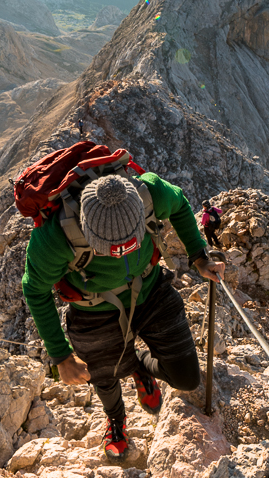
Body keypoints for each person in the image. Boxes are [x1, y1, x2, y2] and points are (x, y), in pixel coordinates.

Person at [21, 172, 225, 459]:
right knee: (103, 375)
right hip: (94, 311)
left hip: (152, 289)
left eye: (129, 243)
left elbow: (179, 203)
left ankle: (137, 365)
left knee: (187, 379)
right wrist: (62, 356)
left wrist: (199, 257)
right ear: (86, 231)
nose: (119, 254)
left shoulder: (150, 194)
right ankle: (116, 420)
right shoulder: (54, 237)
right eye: (110, 249)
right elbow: (34, 290)